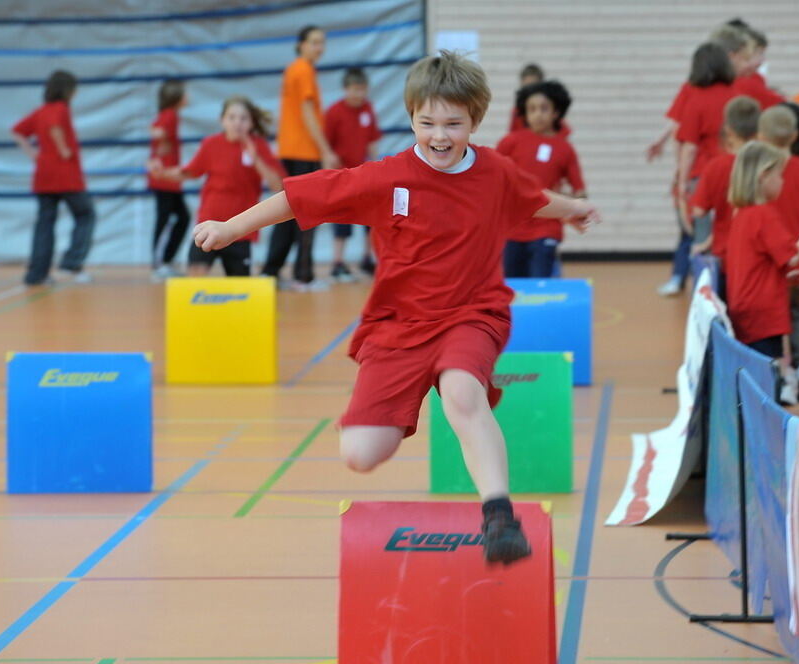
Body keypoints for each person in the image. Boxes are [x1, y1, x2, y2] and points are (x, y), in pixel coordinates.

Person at [191, 51, 602, 563]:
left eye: (454, 124)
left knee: (461, 391)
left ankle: (499, 514)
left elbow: (534, 197)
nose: (440, 135)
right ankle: (418, 387)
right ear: (410, 118)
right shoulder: (386, 178)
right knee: (361, 455)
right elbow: (301, 198)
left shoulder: (494, 171)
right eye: (427, 122)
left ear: (475, 121)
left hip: (472, 313)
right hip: (399, 326)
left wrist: (576, 209)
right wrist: (231, 227)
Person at [148, 96, 284, 276]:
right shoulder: (211, 144)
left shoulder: (259, 146)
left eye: (243, 118)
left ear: (251, 122)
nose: (237, 123)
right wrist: (162, 173)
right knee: (195, 283)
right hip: (209, 224)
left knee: (240, 292)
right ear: (222, 121)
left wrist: (256, 158)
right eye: (232, 117)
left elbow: (277, 187)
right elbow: (189, 172)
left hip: (241, 229)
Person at [263, 25, 340, 291]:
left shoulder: (295, 69)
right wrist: (325, 150)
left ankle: (270, 272)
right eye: (315, 42)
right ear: (302, 44)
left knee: (287, 213)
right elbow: (307, 113)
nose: (320, 47)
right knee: (308, 213)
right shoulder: (304, 70)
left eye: (322, 42)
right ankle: (303, 275)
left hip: (291, 151)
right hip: (304, 153)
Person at [758, 105, 799, 402]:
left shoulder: (762, 173)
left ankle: (783, 378)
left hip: (773, 259)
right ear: (796, 134)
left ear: (761, 134)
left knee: (775, 320)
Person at [658, 41, 736, 297]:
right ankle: (730, 291)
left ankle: (704, 295)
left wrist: (681, 183)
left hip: (705, 176)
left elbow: (689, 146)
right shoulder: (737, 94)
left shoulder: (697, 99)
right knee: (730, 233)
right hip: (735, 173)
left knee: (701, 239)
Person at [725, 140, 799, 359]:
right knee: (764, 375)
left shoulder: (742, 214)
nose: (782, 182)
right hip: (763, 312)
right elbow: (793, 257)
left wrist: (781, 276)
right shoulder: (764, 215)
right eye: (779, 175)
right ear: (763, 175)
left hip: (744, 307)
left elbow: (758, 263)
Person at [12, 70, 96, 286]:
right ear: (67, 89)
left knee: (44, 225)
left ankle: (36, 274)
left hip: (44, 175)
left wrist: (32, 153)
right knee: (86, 214)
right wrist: (63, 148)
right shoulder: (60, 108)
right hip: (64, 174)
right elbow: (55, 126)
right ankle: (72, 263)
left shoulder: (40, 111)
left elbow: (17, 131)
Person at [497, 80, 586, 277]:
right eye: (532, 109)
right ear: (525, 113)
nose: (538, 114)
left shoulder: (565, 149)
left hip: (547, 227)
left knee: (541, 285)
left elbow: (579, 188)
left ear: (556, 112)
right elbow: (494, 176)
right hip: (513, 228)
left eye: (544, 108)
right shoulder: (511, 142)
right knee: (512, 287)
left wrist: (576, 207)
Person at [689, 95, 761, 282]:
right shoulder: (766, 164)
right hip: (758, 255)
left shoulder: (716, 167)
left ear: (728, 129)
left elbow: (698, 210)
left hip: (725, 254)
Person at [324, 67, 384, 279]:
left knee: (370, 220)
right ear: (346, 89)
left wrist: (378, 167)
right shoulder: (334, 112)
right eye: (355, 89)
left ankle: (367, 259)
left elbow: (372, 140)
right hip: (342, 175)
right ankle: (337, 262)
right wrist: (329, 171)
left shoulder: (367, 109)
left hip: (364, 175)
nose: (359, 94)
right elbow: (325, 146)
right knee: (342, 221)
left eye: (362, 89)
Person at [148, 79, 190, 281]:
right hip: (163, 179)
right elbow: (156, 130)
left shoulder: (169, 115)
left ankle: (165, 261)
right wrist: (161, 142)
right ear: (176, 97)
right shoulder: (170, 115)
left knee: (182, 217)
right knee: (166, 219)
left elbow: (156, 129)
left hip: (169, 179)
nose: (187, 97)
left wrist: (161, 144)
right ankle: (159, 264)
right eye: (184, 93)